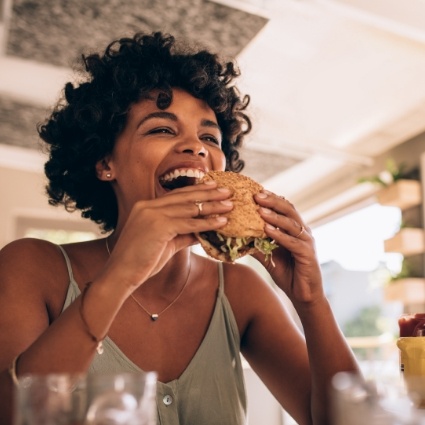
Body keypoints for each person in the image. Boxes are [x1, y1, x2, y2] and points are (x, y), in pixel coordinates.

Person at [0, 31, 360, 425]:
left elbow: (350, 421)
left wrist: (312, 303)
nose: (197, 147)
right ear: (105, 163)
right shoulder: (31, 266)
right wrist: (120, 277)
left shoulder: (240, 290)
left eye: (209, 136)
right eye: (162, 129)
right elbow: (13, 414)